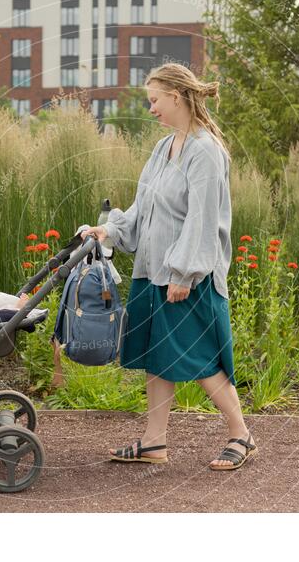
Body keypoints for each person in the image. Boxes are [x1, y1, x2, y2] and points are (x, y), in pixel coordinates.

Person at [80, 63, 258, 471]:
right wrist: (108, 230)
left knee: (199, 357)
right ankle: (154, 443)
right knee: (160, 356)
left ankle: (241, 435)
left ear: (176, 97)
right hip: (154, 270)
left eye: (155, 100)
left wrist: (184, 273)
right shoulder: (165, 148)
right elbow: (145, 207)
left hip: (187, 278)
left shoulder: (206, 152)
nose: (151, 108)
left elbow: (202, 218)